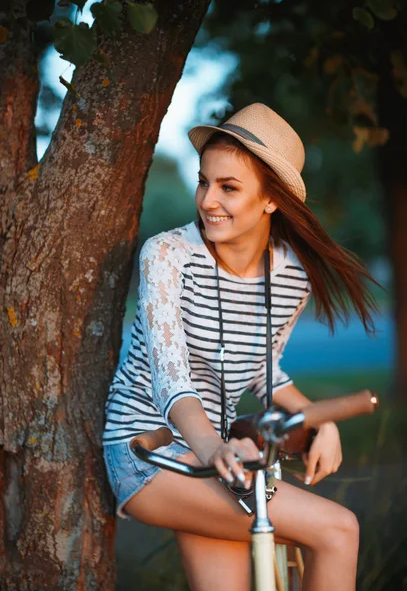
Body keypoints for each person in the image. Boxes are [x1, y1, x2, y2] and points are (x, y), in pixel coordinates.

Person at [102, 103, 379, 591]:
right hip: (150, 453)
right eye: (203, 182)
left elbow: (261, 366)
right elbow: (171, 378)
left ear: (271, 198)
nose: (209, 200)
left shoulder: (291, 275)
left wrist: (318, 418)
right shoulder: (167, 255)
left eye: (229, 187)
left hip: (217, 458)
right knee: (338, 530)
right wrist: (213, 447)